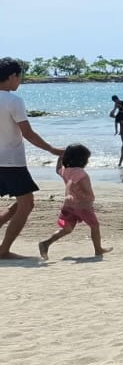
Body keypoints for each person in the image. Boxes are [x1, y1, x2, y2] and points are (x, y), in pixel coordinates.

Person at [0, 57, 66, 261]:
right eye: (20, 77)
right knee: (26, 204)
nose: (20, 81)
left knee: (22, 202)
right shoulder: (13, 100)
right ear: (12, 76)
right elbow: (28, 133)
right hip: (10, 161)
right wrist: (53, 150)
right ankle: (3, 251)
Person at [38, 143, 112, 259]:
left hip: (69, 206)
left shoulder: (66, 171)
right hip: (82, 206)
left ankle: (46, 243)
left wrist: (60, 156)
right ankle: (98, 249)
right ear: (82, 160)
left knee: (67, 229)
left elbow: (58, 169)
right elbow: (81, 188)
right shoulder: (80, 173)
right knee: (94, 225)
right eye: (87, 159)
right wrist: (89, 198)